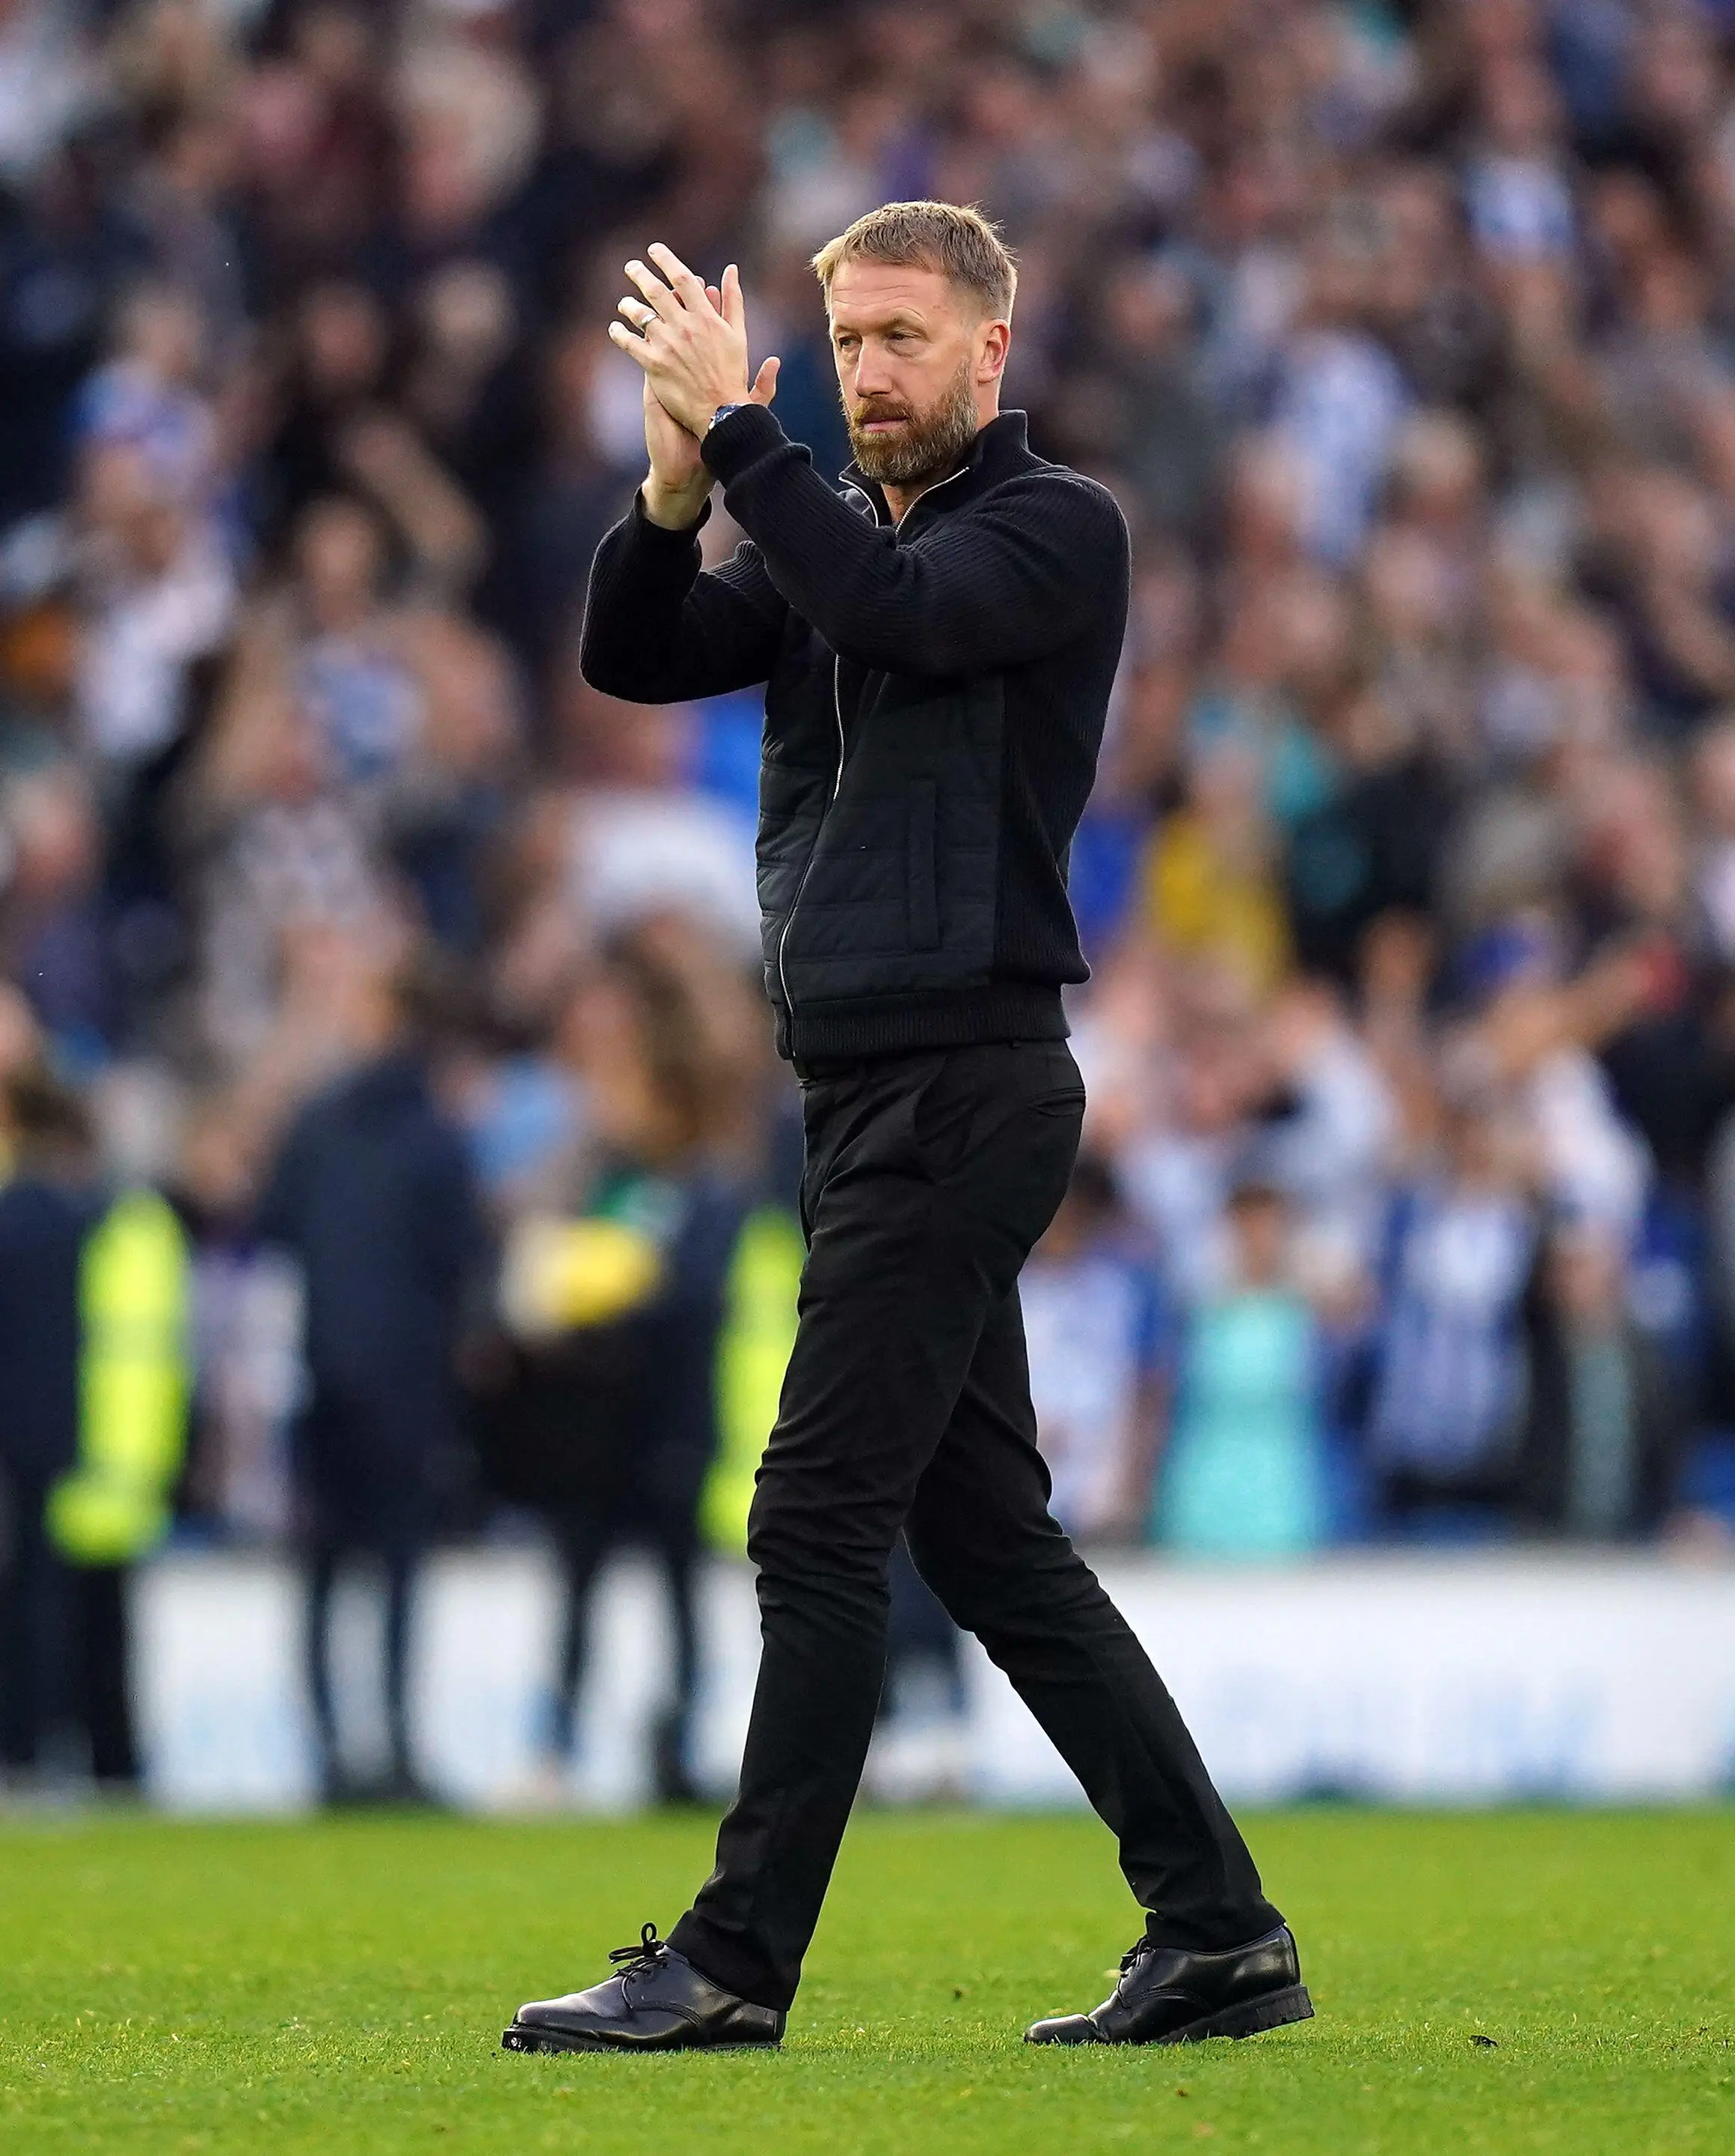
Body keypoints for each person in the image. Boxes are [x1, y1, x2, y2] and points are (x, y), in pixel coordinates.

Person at [503, 201, 1308, 2057]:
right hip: (870, 1087)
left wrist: (743, 444)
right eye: (843, 340)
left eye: (899, 338)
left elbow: (899, 616)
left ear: (986, 354)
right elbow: (641, 655)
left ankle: (729, 1958)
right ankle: (1218, 1926)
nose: (867, 371)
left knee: (811, 1514)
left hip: (963, 1078)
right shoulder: (822, 534)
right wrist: (661, 487)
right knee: (990, 1542)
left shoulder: (1052, 530)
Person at [257, 955, 484, 1805]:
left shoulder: (315, 1126)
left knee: (321, 1569)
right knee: (395, 1573)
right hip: (407, 1388)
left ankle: (326, 1754)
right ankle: (391, 1748)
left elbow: (270, 1233)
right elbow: (462, 1265)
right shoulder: (435, 1133)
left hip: (321, 1378)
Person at [1156, 1179, 1330, 1561]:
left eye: (1270, 1227)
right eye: (1248, 1227)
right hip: (1204, 1490)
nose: (1259, 1240)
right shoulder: (1202, 1309)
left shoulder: (1309, 1311)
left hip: (1281, 1494)